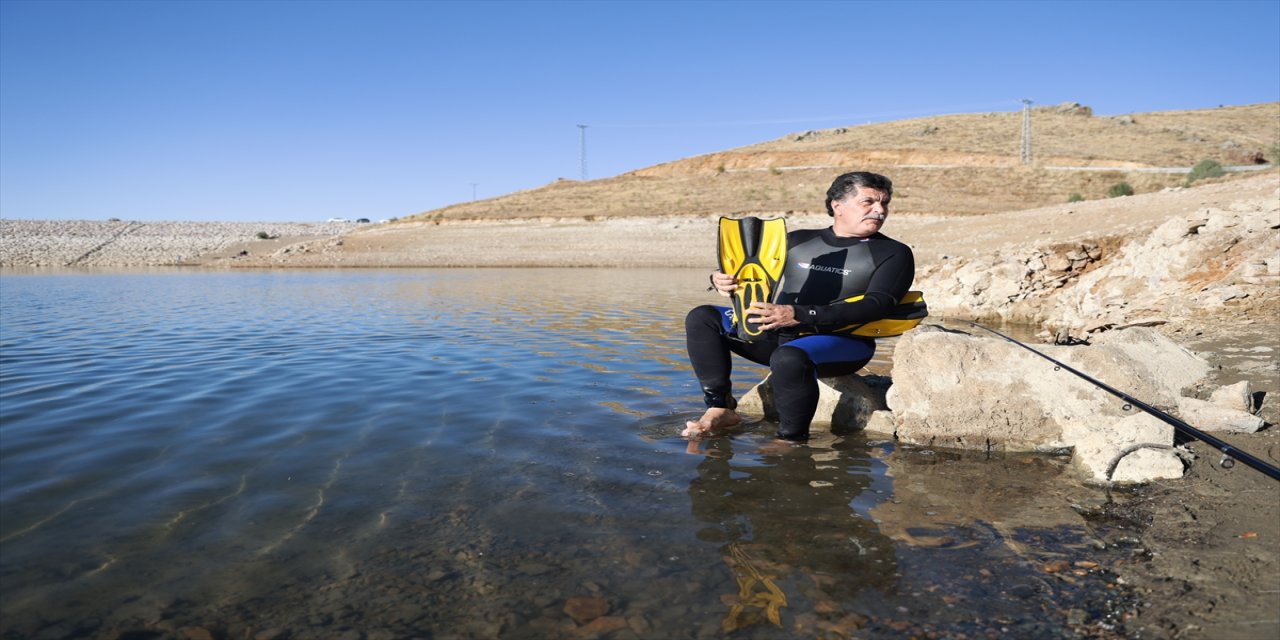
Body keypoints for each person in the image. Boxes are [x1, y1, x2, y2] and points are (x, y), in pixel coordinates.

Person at [682, 171, 916, 441]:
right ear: (837, 205)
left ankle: (790, 440)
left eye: (884, 203)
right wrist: (719, 279)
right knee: (702, 317)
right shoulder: (797, 241)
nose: (880, 210)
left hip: (844, 341)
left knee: (789, 357)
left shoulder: (893, 253)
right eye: (869, 202)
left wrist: (799, 315)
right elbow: (750, 272)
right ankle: (720, 408)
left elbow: (877, 305)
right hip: (779, 332)